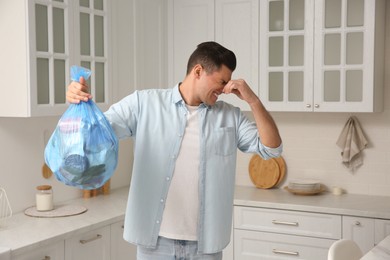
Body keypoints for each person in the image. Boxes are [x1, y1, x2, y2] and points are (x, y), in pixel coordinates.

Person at [66, 41, 282, 259]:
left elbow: (271, 149)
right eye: (221, 81)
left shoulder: (230, 116)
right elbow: (95, 135)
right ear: (198, 71)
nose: (225, 89)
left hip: (205, 247)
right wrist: (79, 103)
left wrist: (253, 101)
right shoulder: (144, 103)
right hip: (155, 244)